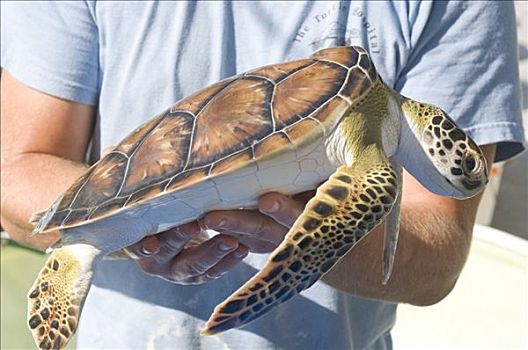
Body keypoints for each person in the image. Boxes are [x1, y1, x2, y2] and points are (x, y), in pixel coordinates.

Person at [1, 1, 524, 349]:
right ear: (429, 132)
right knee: (372, 188)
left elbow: (437, 255)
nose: (468, 173)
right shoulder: (374, 149)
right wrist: (139, 232)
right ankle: (78, 251)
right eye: (465, 164)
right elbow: (16, 173)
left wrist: (294, 242)